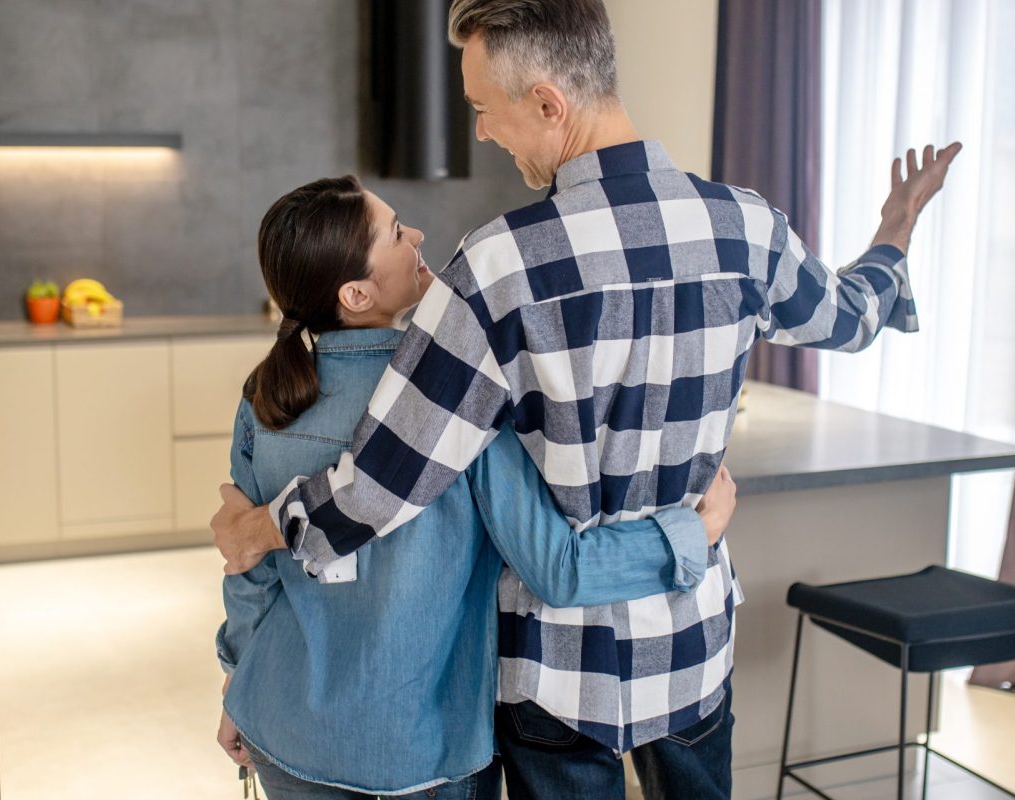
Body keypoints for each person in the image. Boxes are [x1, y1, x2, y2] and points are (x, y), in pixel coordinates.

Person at [212, 1, 961, 797]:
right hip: (688, 641)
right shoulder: (749, 229)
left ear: (546, 103)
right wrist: (894, 234)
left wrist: (263, 526)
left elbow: (388, 477)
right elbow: (851, 318)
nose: (481, 133)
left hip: (554, 671)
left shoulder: (496, 267)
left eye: (483, 110)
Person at [214, 176, 738, 800]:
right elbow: (559, 569)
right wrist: (689, 534)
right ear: (355, 293)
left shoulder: (267, 397)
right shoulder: (459, 394)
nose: (418, 236)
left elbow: (249, 570)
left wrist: (236, 684)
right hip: (421, 757)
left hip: (280, 728)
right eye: (396, 231)